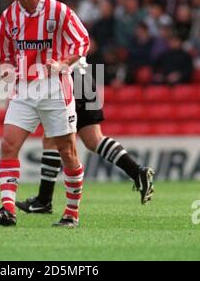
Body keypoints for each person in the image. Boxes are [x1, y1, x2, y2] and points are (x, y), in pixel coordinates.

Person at [0, 0, 90, 228]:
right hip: (24, 90)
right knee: (8, 144)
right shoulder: (8, 16)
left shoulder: (59, 11)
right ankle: (8, 210)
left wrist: (63, 62)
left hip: (55, 88)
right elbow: (4, 54)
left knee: (67, 151)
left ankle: (72, 214)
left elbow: (82, 41)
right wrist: (6, 69)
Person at [16, 60, 155, 214]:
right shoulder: (77, 37)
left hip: (70, 80)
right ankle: (137, 172)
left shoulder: (59, 35)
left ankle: (44, 200)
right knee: (94, 140)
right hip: (86, 77)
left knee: (52, 138)